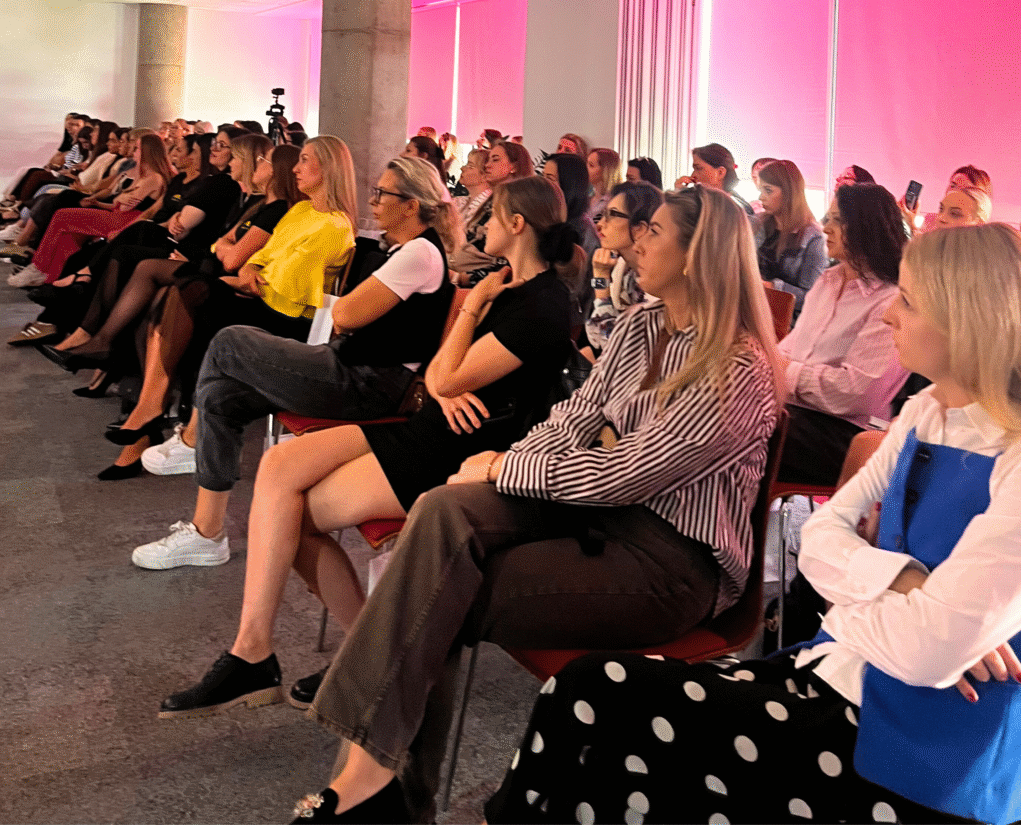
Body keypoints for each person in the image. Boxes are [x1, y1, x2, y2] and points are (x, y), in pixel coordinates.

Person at [488, 222, 1021, 825]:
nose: (889, 315)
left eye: (910, 301)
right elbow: (817, 540)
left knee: (595, 705)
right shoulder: (925, 414)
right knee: (589, 703)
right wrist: (905, 583)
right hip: (842, 677)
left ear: (967, 321)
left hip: (922, 753)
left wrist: (873, 611)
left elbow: (925, 652)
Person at [281, 185, 784, 824]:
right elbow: (574, 419)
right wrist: (501, 466)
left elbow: (627, 473)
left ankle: (380, 793)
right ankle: (372, 786)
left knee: (439, 585)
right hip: (596, 516)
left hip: (671, 565)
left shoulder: (737, 367)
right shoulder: (643, 325)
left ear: (696, 256)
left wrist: (502, 467)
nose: (635, 240)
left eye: (653, 231)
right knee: (442, 510)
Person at [156, 175, 575, 718]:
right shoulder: (508, 285)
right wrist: (447, 379)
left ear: (517, 225)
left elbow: (447, 374)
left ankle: (326, 654)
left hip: (460, 453)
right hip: (433, 423)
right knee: (279, 465)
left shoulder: (541, 304)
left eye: (492, 215)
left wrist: (467, 321)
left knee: (291, 515)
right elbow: (439, 373)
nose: (482, 224)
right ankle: (260, 651)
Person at [130, 157, 460, 568]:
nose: (373, 201)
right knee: (222, 395)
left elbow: (345, 315)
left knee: (229, 341)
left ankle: (192, 443)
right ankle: (206, 533)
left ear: (410, 205)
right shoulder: (406, 251)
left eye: (382, 193)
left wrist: (349, 312)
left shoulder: (419, 254)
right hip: (353, 369)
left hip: (370, 384)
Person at [72, 136, 358, 480]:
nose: (296, 168)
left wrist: (239, 276)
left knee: (182, 292)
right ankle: (152, 408)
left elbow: (278, 285)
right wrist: (246, 273)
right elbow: (257, 264)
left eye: (305, 160)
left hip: (286, 318)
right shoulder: (301, 211)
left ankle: (153, 408)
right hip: (259, 302)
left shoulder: (334, 225)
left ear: (328, 168)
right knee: (169, 295)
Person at [778, 183, 908, 487]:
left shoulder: (889, 299)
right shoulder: (829, 279)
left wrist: (785, 372)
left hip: (849, 433)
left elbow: (856, 394)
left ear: (867, 228)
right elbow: (789, 349)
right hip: (800, 413)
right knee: (729, 411)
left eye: (838, 221)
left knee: (746, 427)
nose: (826, 228)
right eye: (828, 218)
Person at [8, 134, 172, 288]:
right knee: (59, 215)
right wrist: (103, 199)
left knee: (60, 210)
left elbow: (121, 201)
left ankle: (34, 260)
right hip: (110, 208)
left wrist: (111, 198)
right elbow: (116, 197)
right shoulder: (134, 171)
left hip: (127, 220)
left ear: (147, 152)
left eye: (136, 148)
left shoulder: (152, 177)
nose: (133, 150)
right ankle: (48, 273)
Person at [583, 180, 662, 359]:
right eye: (603, 214)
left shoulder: (656, 283)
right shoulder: (624, 269)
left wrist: (601, 282)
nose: (600, 224)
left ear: (640, 228)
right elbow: (597, 338)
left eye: (612, 215)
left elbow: (617, 346)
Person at [449, 139, 532, 285]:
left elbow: (508, 259)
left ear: (513, 167)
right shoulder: (492, 201)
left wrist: (461, 278)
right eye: (488, 160)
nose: (487, 165)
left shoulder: (517, 205)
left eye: (495, 159)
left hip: (486, 285)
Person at [756, 159, 827, 318]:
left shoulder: (814, 238)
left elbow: (811, 296)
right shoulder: (757, 224)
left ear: (789, 192)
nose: (761, 197)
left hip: (788, 320)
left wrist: (773, 287)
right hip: (753, 311)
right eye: (760, 190)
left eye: (768, 190)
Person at [541, 154, 599, 258]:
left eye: (550, 178)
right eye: (542, 176)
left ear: (569, 184)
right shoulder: (545, 216)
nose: (542, 183)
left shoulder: (583, 230)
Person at [677, 143, 753, 216]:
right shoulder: (701, 202)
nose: (693, 176)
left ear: (720, 172)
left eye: (698, 168)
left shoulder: (735, 210)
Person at [453, 148, 490, 225]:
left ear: (484, 175)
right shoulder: (459, 201)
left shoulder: (488, 208)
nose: (462, 168)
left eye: (471, 166)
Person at [586, 147, 622, 221]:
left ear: (605, 170)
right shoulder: (587, 197)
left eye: (591, 165)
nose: (585, 168)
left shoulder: (615, 201)